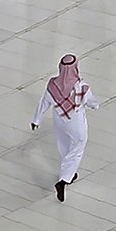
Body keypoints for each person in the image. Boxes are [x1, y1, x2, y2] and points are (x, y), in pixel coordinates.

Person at [31, 55, 100, 202]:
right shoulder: (82, 87)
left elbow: (44, 102)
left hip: (59, 122)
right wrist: (95, 105)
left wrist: (36, 120)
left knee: (64, 147)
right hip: (76, 122)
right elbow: (93, 102)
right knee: (77, 148)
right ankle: (64, 180)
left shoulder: (52, 85)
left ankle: (70, 173)